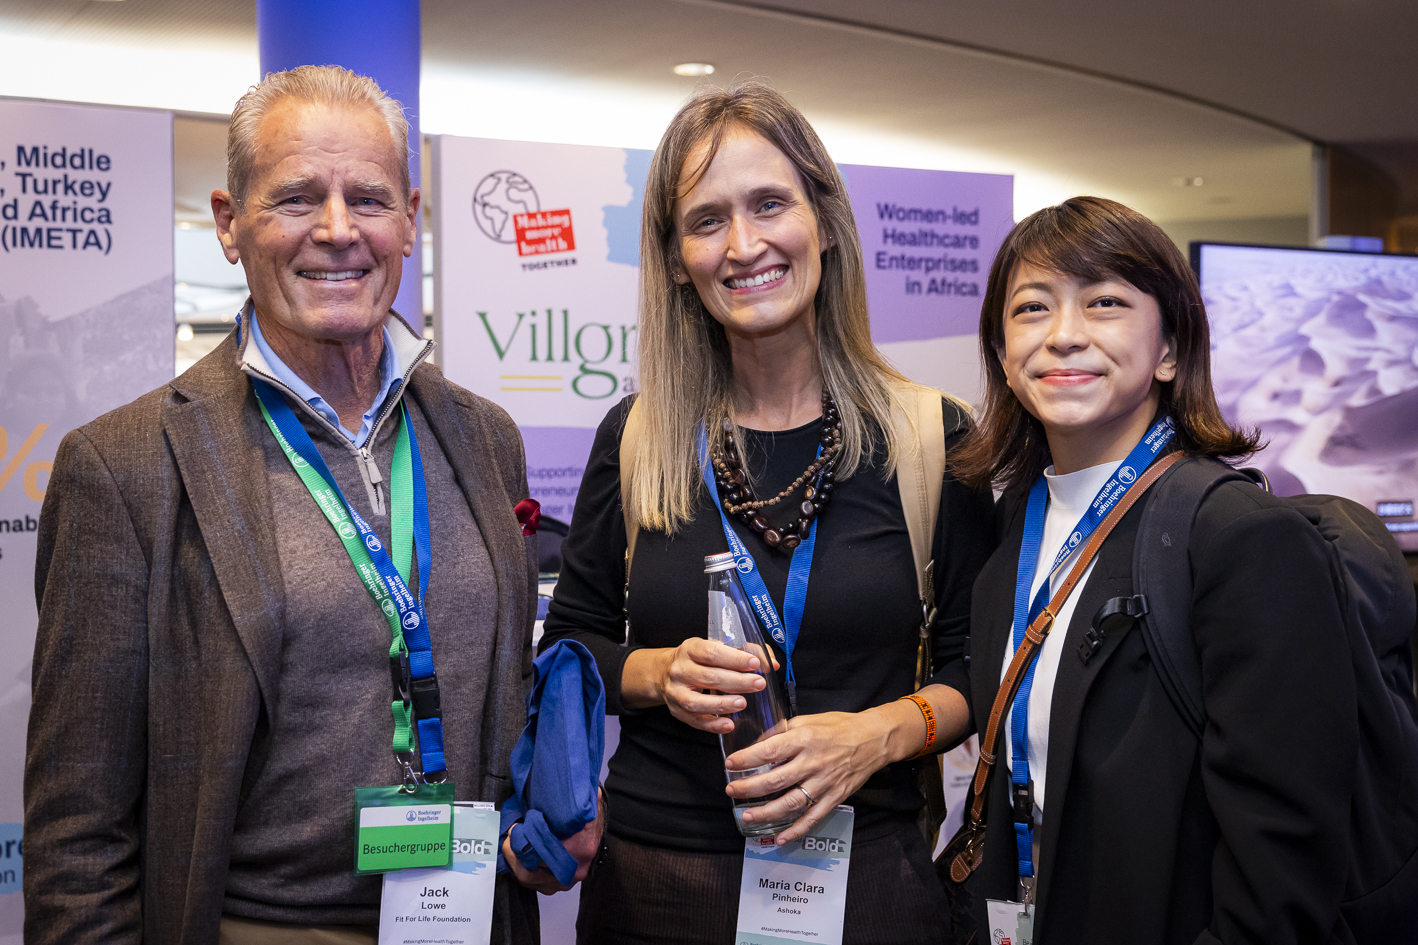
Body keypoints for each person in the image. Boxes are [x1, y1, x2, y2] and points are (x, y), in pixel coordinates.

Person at [23, 65, 595, 944]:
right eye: (296, 198)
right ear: (229, 222)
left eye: (368, 198)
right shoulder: (124, 467)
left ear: (410, 218)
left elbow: (496, 691)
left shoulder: (484, 436)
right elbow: (77, 832)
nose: (337, 230)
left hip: (466, 914)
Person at [538, 80, 996, 944]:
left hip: (869, 882)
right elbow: (572, 645)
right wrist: (659, 672)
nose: (743, 245)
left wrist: (876, 736)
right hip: (655, 882)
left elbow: (978, 668)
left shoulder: (930, 436)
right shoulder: (637, 435)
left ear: (825, 222)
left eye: (770, 204)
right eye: (707, 220)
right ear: (677, 258)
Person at [938, 195, 1391, 943]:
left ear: (1170, 350)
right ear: (1003, 355)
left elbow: (1284, 868)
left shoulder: (1242, 538)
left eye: (1105, 302)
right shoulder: (1015, 521)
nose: (1063, 334)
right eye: (1031, 308)